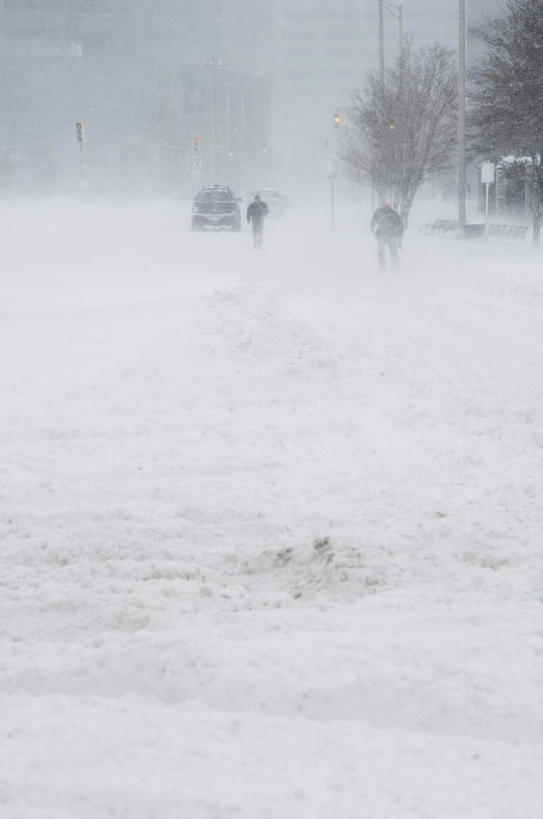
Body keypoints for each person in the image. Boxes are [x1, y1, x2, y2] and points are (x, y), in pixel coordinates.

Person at [370, 203, 404, 271]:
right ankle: (396, 267)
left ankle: (381, 268)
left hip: (381, 236)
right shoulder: (394, 213)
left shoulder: (379, 212)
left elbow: (372, 223)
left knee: (381, 252)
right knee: (393, 252)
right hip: (392, 236)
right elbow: (401, 227)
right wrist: (400, 240)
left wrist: (374, 232)